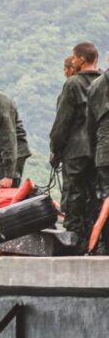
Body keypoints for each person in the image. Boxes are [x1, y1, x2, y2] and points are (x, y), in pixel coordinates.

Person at [50, 42, 103, 249]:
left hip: (76, 150)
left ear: (81, 59)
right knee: (96, 195)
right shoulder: (104, 82)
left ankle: (74, 240)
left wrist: (55, 148)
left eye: (74, 57)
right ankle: (95, 240)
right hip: (98, 149)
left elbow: (63, 121)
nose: (72, 61)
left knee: (74, 194)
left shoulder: (73, 84)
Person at [0, 68, 31, 189]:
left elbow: (9, 139)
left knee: (3, 191)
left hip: (12, 153)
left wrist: (9, 175)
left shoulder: (2, 106)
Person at [87, 60, 109, 252]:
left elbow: (90, 123)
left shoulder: (97, 85)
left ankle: (105, 244)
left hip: (104, 151)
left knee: (106, 197)